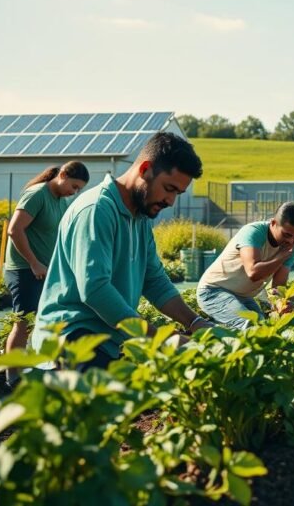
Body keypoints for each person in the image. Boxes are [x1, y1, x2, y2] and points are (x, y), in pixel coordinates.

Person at [31, 132, 213, 371]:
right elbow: (95, 290)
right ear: (145, 169)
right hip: (70, 338)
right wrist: (162, 340)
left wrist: (195, 322)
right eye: (168, 188)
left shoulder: (141, 217)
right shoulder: (97, 210)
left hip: (103, 340)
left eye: (177, 193)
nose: (171, 201)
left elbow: (154, 281)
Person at [2, 161, 90, 381]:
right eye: (74, 186)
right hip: (24, 270)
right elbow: (14, 230)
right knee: (23, 324)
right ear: (62, 175)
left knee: (48, 320)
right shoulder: (37, 194)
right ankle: (12, 377)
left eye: (79, 189)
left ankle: (36, 366)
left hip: (45, 271)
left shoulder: (60, 201)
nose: (74, 192)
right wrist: (33, 262)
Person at [197, 202, 294, 328]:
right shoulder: (254, 232)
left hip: (243, 296)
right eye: (286, 234)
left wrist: (284, 306)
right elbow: (253, 273)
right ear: (273, 223)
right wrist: (281, 257)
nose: (290, 241)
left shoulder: (290, 249)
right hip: (213, 291)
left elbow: (278, 287)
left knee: (263, 328)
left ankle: (208, 331)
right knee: (251, 326)